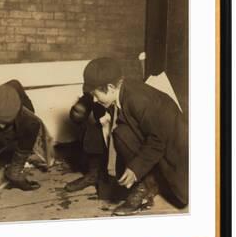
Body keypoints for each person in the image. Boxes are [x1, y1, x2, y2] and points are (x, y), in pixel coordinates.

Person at [77, 57, 188, 216]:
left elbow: (158, 140)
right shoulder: (122, 90)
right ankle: (147, 184)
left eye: (96, 95)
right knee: (121, 132)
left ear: (110, 87)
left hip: (178, 150)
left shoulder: (138, 100)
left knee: (183, 194)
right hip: (159, 139)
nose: (94, 100)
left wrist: (136, 169)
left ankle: (151, 184)